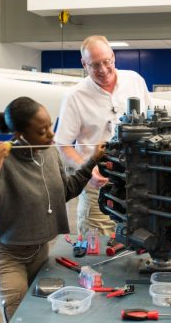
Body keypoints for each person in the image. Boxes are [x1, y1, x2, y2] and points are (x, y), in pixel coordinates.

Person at [0, 96, 104, 322]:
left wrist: (91, 161)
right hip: (8, 255)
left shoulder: (50, 152)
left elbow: (64, 192)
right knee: (20, 317)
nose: (51, 134)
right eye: (42, 130)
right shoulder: (2, 163)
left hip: (41, 250)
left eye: (50, 126)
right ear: (19, 135)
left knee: (45, 314)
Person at [56, 35, 152, 236]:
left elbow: (152, 125)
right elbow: (63, 144)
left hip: (140, 184)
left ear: (113, 57)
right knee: (97, 251)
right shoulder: (75, 96)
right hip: (100, 187)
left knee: (141, 244)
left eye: (106, 62)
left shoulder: (135, 81)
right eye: (94, 65)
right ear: (84, 64)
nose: (102, 70)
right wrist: (86, 171)